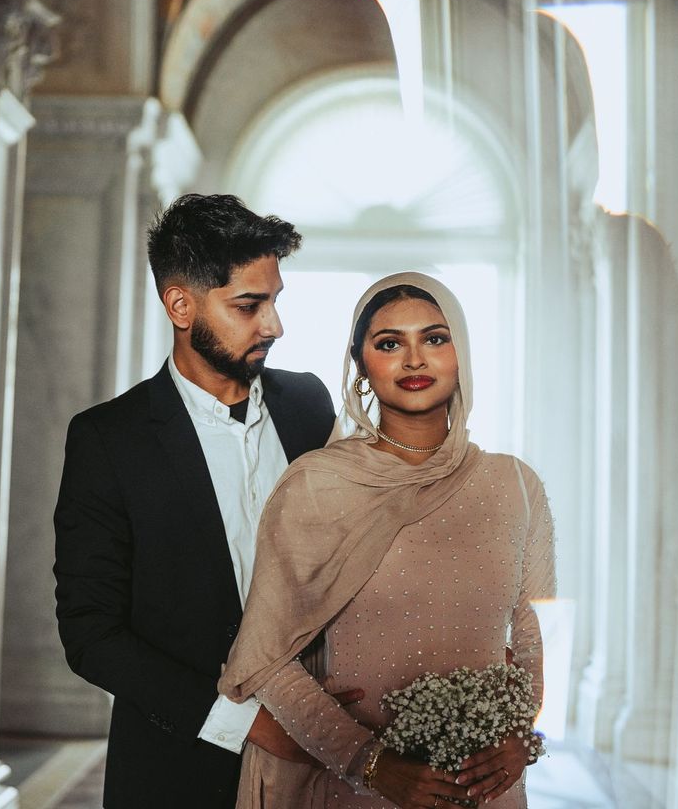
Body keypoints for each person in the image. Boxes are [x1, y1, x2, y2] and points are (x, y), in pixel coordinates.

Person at [220, 272, 556, 808]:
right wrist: (368, 761)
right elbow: (265, 658)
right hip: (357, 783)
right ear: (360, 366)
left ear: (461, 354)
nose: (415, 360)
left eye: (435, 338)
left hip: (488, 787)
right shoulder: (318, 486)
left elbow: (536, 633)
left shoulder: (515, 484)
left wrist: (520, 735)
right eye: (390, 344)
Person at [53, 193, 343, 809]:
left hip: (324, 767)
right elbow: (90, 633)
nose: (274, 325)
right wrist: (247, 725)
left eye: (275, 301)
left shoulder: (309, 405)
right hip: (175, 772)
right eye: (249, 305)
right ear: (180, 305)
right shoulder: (109, 438)